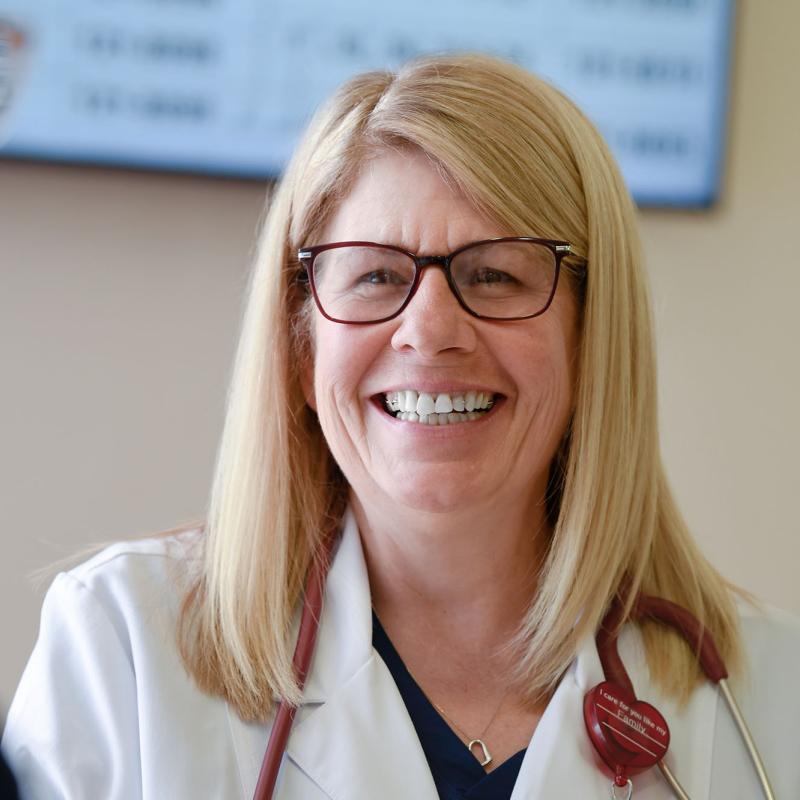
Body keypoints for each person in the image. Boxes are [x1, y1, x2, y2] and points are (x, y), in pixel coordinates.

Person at [2, 53, 799, 799]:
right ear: (299, 345)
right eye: (376, 274)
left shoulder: (770, 699)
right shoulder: (123, 651)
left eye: (494, 274)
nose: (429, 330)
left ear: (595, 340)